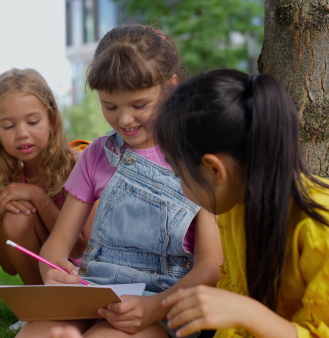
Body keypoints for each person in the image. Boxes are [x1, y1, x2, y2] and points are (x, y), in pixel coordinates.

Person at [17, 25, 223, 338]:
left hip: (164, 305)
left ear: (171, 87)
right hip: (94, 293)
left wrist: (155, 308)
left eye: (139, 105)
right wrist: (53, 272)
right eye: (110, 106)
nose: (124, 119)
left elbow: (211, 266)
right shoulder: (97, 155)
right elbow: (57, 246)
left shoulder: (199, 157)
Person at [154, 69, 329, 337]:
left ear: (215, 170)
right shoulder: (236, 207)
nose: (182, 188)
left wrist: (247, 312)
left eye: (180, 175)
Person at [0, 68, 92, 286]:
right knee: (15, 217)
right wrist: (0, 214)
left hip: (86, 274)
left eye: (32, 122)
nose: (22, 133)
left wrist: (38, 198)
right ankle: (39, 306)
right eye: (8, 126)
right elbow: (9, 268)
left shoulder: (78, 166)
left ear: (50, 119)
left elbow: (80, 248)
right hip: (44, 278)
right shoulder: (9, 179)